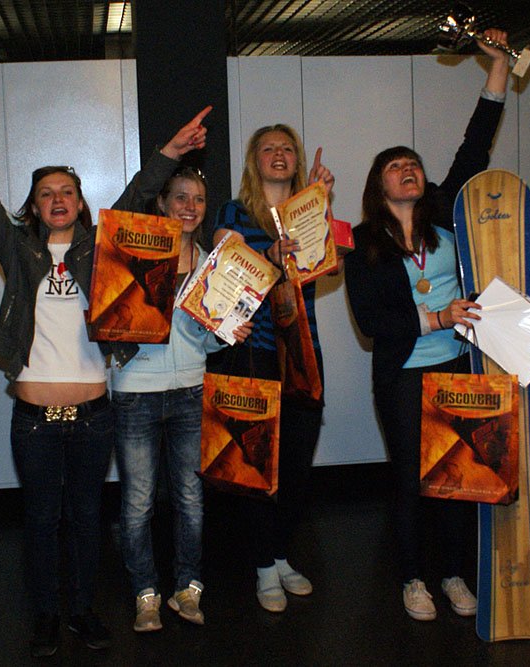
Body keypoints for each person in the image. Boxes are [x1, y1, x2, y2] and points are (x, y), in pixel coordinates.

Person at [0, 83, 209, 658]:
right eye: (46, 193)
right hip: (35, 420)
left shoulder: (100, 248)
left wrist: (171, 150)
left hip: (94, 417)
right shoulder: (18, 250)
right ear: (35, 208)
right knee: (41, 521)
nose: (57, 199)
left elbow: (140, 194)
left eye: (67, 191)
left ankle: (83, 612)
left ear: (82, 204)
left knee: (88, 520)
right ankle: (45, 615)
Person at [343, 30, 512, 621]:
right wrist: (436, 316)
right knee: (411, 479)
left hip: (456, 365)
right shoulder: (363, 242)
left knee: (457, 476)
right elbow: (371, 321)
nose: (407, 170)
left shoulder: (444, 212)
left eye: (412, 164)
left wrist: (498, 70)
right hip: (403, 376)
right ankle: (413, 578)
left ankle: (454, 575)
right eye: (395, 167)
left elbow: (475, 146)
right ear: (380, 186)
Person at [112, 165, 252, 632]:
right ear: (162, 203)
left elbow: (206, 342)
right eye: (180, 197)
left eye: (198, 199)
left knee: (191, 498)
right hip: (136, 391)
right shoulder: (135, 254)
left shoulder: (216, 267)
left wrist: (227, 332)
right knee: (138, 502)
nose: (190, 207)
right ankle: (145, 593)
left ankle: (188, 588)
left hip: (191, 388)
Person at [211, 123, 334, 613]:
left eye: (287, 148)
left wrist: (319, 204)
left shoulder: (307, 210)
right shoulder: (235, 212)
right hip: (254, 353)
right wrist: (268, 253)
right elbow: (222, 273)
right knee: (258, 464)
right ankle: (263, 565)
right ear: (254, 160)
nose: (279, 154)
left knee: (297, 467)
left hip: (304, 350)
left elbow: (326, 264)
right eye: (269, 149)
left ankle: (281, 554)